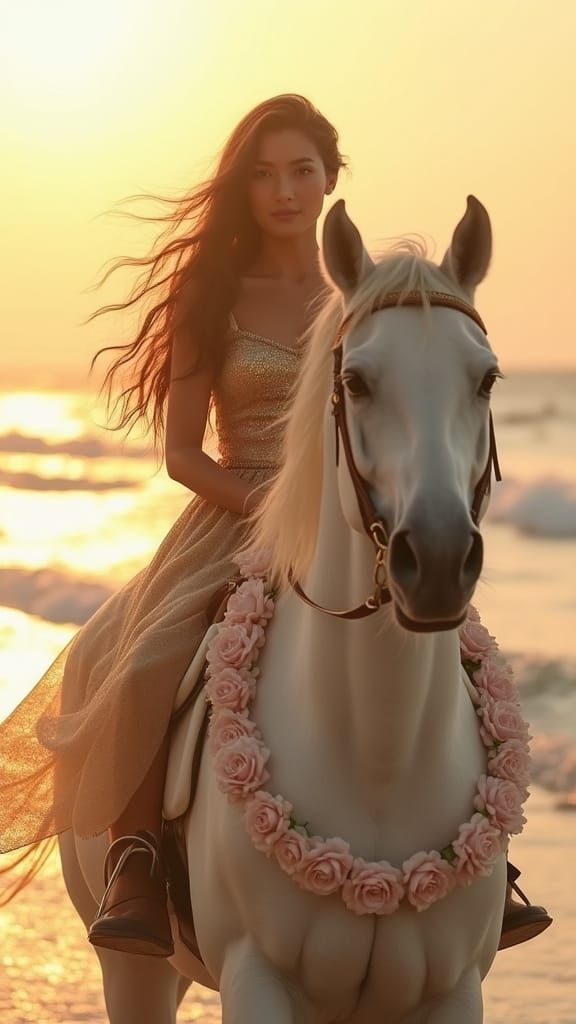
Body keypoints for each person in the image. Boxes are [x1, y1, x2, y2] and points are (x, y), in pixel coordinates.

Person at [0, 93, 550, 958]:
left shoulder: (370, 296)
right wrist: (272, 512)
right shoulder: (211, 295)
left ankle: (490, 862)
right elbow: (183, 452)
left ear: (332, 179)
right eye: (263, 175)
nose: (284, 190)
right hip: (237, 515)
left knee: (460, 655)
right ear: (243, 189)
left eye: (301, 171)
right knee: (147, 662)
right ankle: (139, 862)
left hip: (355, 519)